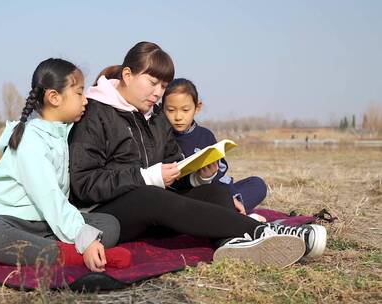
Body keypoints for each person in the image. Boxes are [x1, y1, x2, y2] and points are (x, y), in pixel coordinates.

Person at [68, 42, 326, 267]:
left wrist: (196, 177)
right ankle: (263, 231)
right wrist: (147, 177)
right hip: (107, 214)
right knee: (151, 195)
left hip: (153, 208)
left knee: (217, 191)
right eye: (153, 82)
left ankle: (232, 244)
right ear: (127, 75)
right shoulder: (95, 113)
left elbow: (172, 168)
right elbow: (84, 184)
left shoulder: (156, 117)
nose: (158, 92)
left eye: (164, 85)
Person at [0, 58, 131, 273]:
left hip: (42, 225)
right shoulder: (30, 139)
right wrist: (86, 239)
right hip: (9, 222)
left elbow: (58, 205)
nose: (85, 100)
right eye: (79, 93)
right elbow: (49, 196)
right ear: (54, 97)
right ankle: (75, 256)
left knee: (110, 225)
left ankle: (54, 249)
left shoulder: (64, 133)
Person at [161, 78, 268, 216]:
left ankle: (233, 208)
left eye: (185, 110)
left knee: (257, 184)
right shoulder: (161, 136)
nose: (178, 117)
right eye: (170, 110)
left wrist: (232, 195)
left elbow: (220, 174)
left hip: (215, 191)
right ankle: (232, 213)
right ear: (162, 108)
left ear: (197, 108)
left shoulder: (206, 136)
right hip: (184, 198)